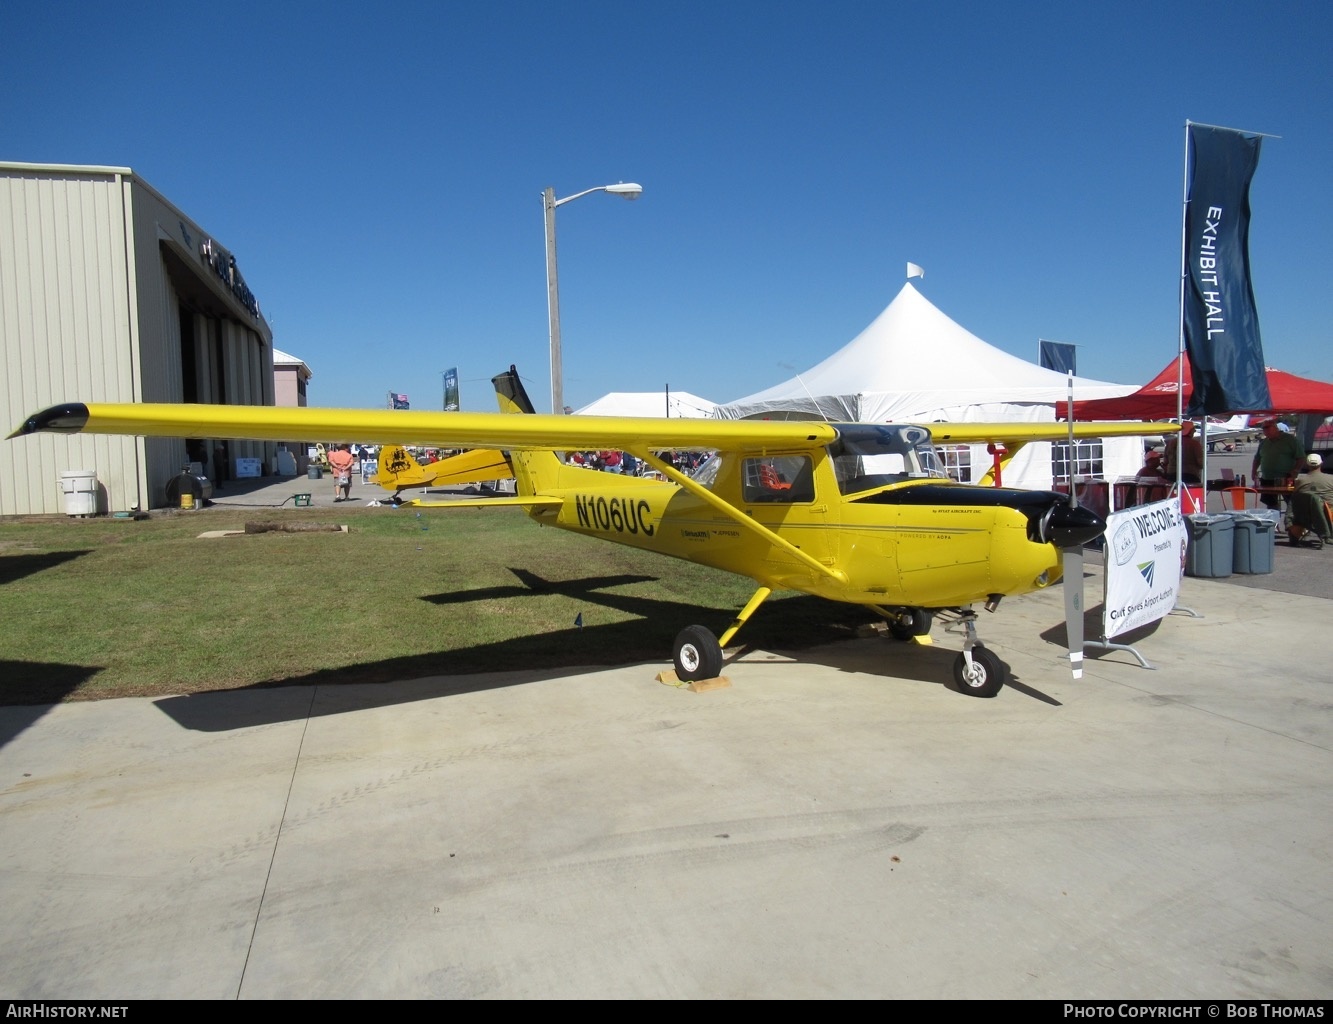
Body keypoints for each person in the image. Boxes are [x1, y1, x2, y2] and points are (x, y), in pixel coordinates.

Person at [1252, 419, 1305, 511]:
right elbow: (1257, 458)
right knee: (1271, 505)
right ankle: (1274, 522)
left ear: (1275, 427)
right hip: (1267, 478)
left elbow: (1301, 457)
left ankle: (1292, 522)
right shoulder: (1264, 442)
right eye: (1263, 428)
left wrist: (1296, 470)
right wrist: (1253, 472)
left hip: (1285, 478)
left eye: (1267, 427)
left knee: (1291, 503)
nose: (1264, 430)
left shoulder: (1290, 440)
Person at [1288, 453, 1333, 548]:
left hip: (1306, 514)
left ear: (1307, 465)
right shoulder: (1331, 479)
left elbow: (1296, 496)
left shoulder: (1300, 480)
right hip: (1328, 512)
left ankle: (1295, 534)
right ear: (1321, 464)